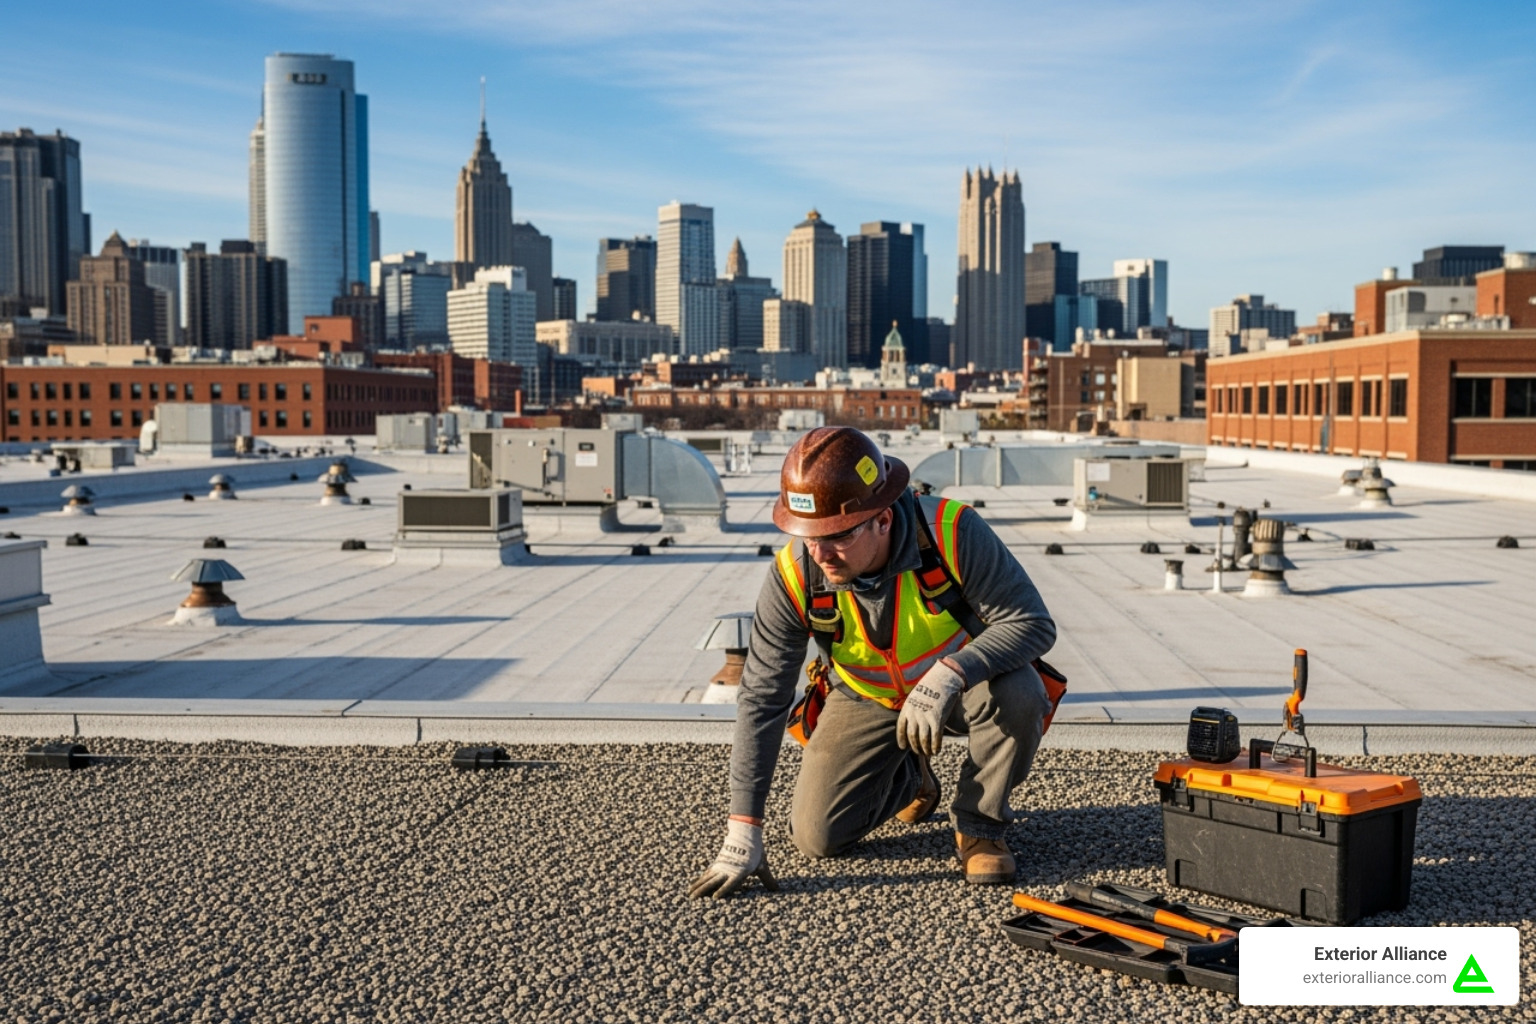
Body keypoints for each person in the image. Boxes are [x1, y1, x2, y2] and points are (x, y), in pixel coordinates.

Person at [689, 426, 1057, 899]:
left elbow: (1033, 624)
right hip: (868, 696)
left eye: (836, 536)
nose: (819, 554)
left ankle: (979, 826)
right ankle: (910, 777)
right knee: (818, 837)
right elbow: (762, 697)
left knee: (1020, 692)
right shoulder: (795, 572)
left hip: (963, 690)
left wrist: (950, 673)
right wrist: (743, 829)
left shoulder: (951, 533)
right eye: (808, 536)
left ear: (882, 520)